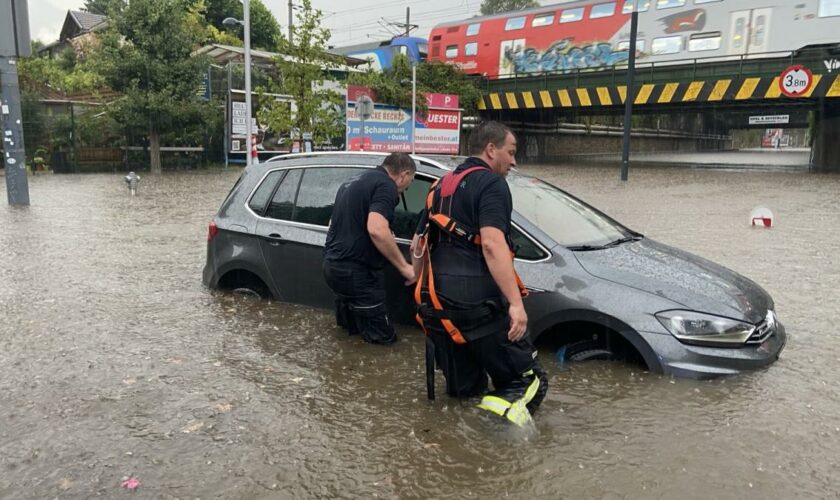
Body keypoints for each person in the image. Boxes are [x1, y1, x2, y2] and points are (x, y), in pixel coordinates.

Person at [412, 121, 548, 426]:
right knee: (529, 382)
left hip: (435, 309)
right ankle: (492, 448)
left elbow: (417, 248)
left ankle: (460, 450)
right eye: (510, 152)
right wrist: (515, 303)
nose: (514, 161)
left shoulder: (437, 186)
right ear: (490, 150)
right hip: (476, 305)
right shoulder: (491, 184)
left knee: (465, 391)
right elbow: (491, 243)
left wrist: (419, 285)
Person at [322, 152, 417, 345]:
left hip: (333, 267)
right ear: (404, 174)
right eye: (411, 181)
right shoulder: (386, 185)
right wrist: (405, 268)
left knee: (351, 336)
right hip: (358, 273)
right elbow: (376, 230)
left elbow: (339, 222)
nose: (406, 189)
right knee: (383, 343)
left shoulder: (353, 181)